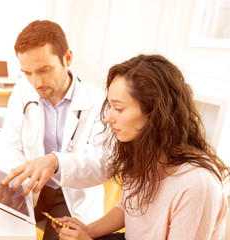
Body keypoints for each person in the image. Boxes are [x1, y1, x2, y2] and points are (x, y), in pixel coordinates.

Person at [50, 54, 230, 239]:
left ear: (155, 113)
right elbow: (127, 207)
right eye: (110, 107)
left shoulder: (196, 186)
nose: (108, 117)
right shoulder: (142, 152)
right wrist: (89, 231)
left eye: (118, 108)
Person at [0, 20, 106, 239]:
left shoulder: (98, 102)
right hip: (33, 188)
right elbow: (10, 142)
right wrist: (18, 181)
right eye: (27, 72)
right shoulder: (22, 92)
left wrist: (57, 162)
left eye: (44, 70)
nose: (36, 82)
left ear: (68, 58)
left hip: (71, 194)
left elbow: (104, 163)